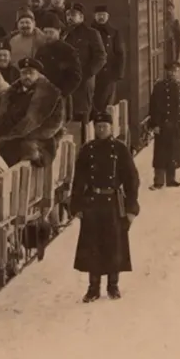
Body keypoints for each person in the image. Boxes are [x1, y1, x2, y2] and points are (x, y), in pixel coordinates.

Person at [70, 110, 140, 302]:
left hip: (113, 204)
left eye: (104, 127)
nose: (101, 130)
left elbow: (132, 179)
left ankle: (113, 286)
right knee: (93, 246)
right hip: (92, 203)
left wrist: (131, 207)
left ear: (111, 128)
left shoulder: (120, 149)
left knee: (114, 245)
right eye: (98, 127)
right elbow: (78, 180)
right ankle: (93, 288)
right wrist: (76, 205)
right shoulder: (87, 150)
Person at [0, 58, 66, 167]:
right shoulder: (11, 94)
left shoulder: (51, 95)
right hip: (10, 137)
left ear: (38, 75)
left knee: (25, 149)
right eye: (24, 73)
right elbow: (3, 118)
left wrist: (24, 136)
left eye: (31, 73)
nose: (27, 76)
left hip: (40, 140)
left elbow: (53, 125)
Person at [61, 2, 108, 122]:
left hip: (83, 83)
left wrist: (87, 73)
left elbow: (101, 57)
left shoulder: (91, 33)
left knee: (81, 113)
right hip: (66, 81)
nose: (70, 18)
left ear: (81, 17)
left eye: (74, 15)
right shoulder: (64, 33)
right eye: (68, 15)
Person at [35, 13, 83, 124]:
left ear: (59, 32)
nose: (48, 35)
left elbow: (76, 77)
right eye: (45, 32)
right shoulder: (41, 51)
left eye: (51, 32)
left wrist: (61, 93)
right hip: (43, 97)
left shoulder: (68, 51)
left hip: (61, 97)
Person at [147, 60, 180, 189]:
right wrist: (155, 124)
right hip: (162, 126)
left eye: (175, 71)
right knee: (160, 153)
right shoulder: (159, 87)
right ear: (166, 72)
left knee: (173, 152)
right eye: (171, 71)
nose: (173, 73)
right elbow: (154, 107)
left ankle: (171, 179)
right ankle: (158, 181)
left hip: (175, 126)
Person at [91, 5, 125, 114]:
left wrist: (118, 74)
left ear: (108, 16)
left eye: (103, 15)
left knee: (106, 104)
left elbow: (120, 54)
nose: (101, 17)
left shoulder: (114, 33)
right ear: (94, 16)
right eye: (98, 15)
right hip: (93, 74)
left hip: (109, 75)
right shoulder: (89, 31)